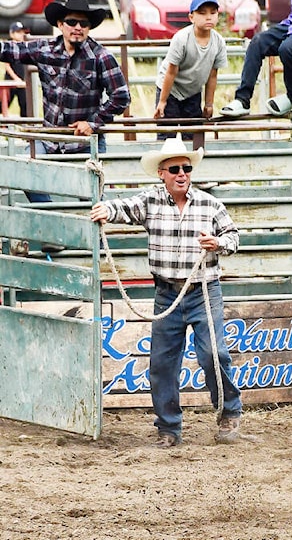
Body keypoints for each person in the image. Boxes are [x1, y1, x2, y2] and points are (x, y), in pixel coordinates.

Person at [89, 135, 243, 448]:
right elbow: (126, 207)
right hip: (167, 293)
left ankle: (229, 410)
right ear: (162, 173)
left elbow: (234, 236)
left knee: (214, 353)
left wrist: (219, 244)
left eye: (186, 168)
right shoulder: (151, 201)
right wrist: (106, 209)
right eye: (174, 169)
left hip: (203, 290)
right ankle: (169, 429)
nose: (182, 174)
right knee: (161, 363)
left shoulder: (210, 205)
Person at [0, 0, 130, 202]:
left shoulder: (101, 57)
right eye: (72, 22)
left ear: (89, 28)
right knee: (23, 171)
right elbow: (9, 50)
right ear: (61, 24)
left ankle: (88, 230)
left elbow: (121, 97)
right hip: (50, 138)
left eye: (84, 23)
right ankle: (54, 220)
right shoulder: (45, 50)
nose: (78, 27)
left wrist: (93, 123)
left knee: (91, 197)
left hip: (86, 141)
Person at [155, 0, 228, 141]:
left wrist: (209, 104)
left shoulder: (218, 42)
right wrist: (162, 101)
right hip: (171, 89)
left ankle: (191, 164)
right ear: (191, 17)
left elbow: (213, 75)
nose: (208, 17)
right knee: (168, 134)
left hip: (193, 91)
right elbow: (171, 71)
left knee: (194, 135)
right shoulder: (182, 38)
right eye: (202, 13)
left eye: (213, 13)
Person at [2, 21, 28, 115]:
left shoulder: (25, 47)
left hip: (23, 81)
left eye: (22, 32)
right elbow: (7, 65)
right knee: (4, 104)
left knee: (25, 106)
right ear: (11, 33)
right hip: (11, 80)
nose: (21, 35)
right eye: (18, 32)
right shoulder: (8, 46)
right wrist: (16, 79)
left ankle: (27, 126)